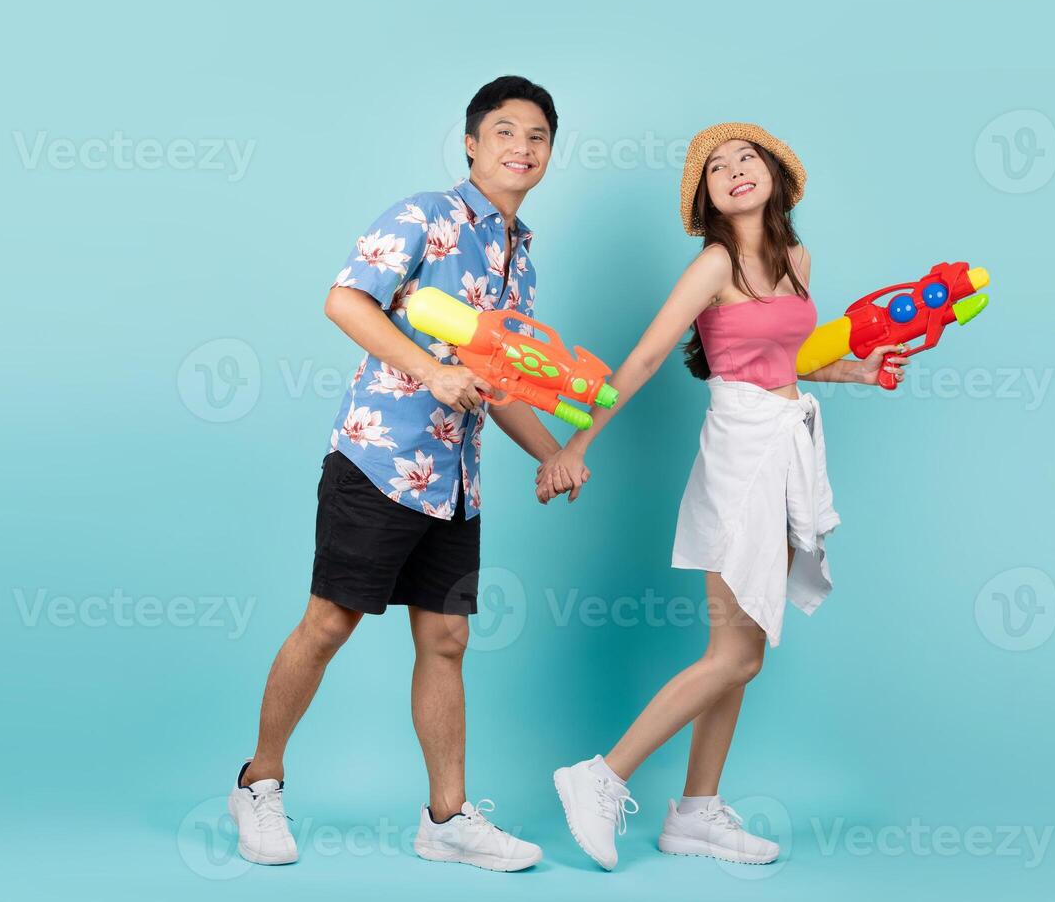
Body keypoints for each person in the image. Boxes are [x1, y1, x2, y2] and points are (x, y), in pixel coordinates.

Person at [229, 76, 583, 873]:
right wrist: (430, 369)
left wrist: (553, 451)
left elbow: (500, 386)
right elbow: (346, 301)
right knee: (328, 624)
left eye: (537, 137)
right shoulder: (426, 213)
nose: (521, 148)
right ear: (470, 141)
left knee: (448, 640)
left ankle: (447, 819)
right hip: (378, 461)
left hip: (456, 480)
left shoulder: (520, 263)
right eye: (504, 132)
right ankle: (258, 782)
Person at [537, 123, 908, 870]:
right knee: (734, 654)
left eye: (747, 158)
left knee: (743, 651)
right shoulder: (714, 263)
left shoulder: (796, 259)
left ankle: (698, 812)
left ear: (774, 174)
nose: (735, 170)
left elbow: (789, 358)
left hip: (783, 445)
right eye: (717, 168)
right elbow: (644, 356)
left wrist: (855, 371)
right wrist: (576, 442)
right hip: (740, 453)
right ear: (706, 198)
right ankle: (601, 776)